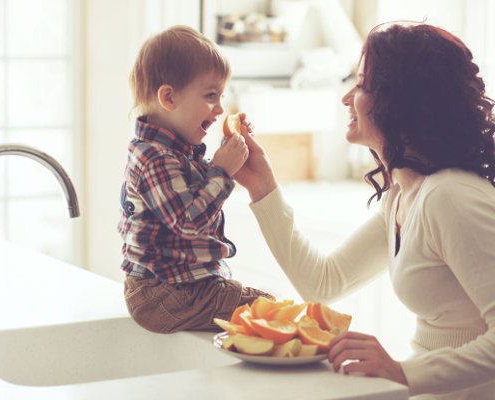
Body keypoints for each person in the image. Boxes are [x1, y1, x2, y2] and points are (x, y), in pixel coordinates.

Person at [234, 23, 495, 399]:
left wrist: (401, 372)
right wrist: (262, 187)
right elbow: (323, 282)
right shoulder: (404, 197)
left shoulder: (450, 196)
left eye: (361, 85)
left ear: (398, 100)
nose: (346, 98)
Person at [118, 25, 272, 334]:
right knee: (271, 312)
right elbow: (189, 222)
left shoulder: (175, 153)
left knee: (268, 313)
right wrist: (222, 171)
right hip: (162, 294)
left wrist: (228, 158)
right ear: (169, 98)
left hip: (179, 288)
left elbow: (196, 197)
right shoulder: (154, 158)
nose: (219, 109)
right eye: (211, 95)